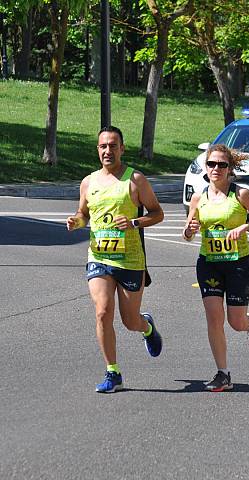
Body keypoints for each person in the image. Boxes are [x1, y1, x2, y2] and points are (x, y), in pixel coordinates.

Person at [66, 126, 164, 393]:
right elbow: (83, 213)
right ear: (97, 150)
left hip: (130, 260)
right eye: (103, 147)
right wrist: (77, 221)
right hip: (99, 256)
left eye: (112, 146)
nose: (107, 151)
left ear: (122, 148)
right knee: (102, 312)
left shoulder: (136, 180)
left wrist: (133, 222)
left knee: (129, 320)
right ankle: (113, 372)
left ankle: (147, 327)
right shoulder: (88, 182)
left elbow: (157, 214)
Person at [183, 144, 249, 392]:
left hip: (238, 264)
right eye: (212, 164)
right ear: (206, 166)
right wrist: (189, 231)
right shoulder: (198, 197)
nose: (216, 169)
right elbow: (190, 231)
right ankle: (223, 373)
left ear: (230, 168)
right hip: (209, 264)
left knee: (235, 322)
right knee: (214, 318)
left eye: (222, 165)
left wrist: (248, 227)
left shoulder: (241, 195)